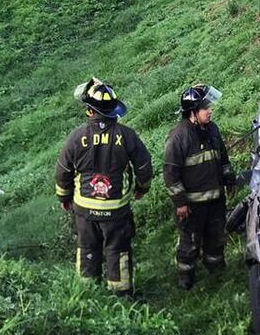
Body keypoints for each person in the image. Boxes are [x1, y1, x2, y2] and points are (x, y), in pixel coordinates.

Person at [55, 78, 153, 296]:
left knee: (87, 251)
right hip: (116, 210)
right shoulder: (127, 135)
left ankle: (87, 297)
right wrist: (141, 188)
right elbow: (144, 166)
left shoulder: (76, 137)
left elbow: (63, 172)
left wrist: (64, 198)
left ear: (90, 111)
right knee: (117, 252)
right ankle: (121, 298)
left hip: (84, 211)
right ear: (113, 111)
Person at [164, 84, 236, 290]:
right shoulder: (178, 137)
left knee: (216, 239)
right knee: (190, 244)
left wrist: (229, 178)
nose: (210, 110)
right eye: (205, 108)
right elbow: (170, 173)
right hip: (192, 207)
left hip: (215, 201)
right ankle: (186, 281)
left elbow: (223, 157)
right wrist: (180, 203)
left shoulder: (212, 129)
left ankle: (217, 274)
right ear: (193, 113)